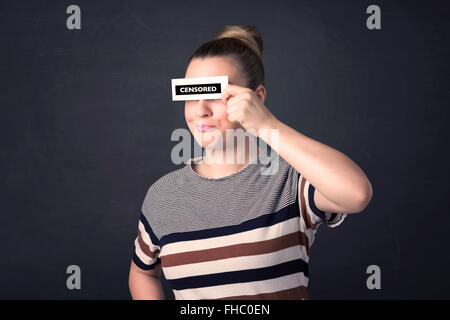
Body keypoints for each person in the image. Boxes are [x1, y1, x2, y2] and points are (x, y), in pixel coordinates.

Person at [128, 25, 373, 300]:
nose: (200, 110)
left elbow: (357, 194)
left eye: (216, 94)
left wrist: (267, 124)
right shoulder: (162, 196)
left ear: (256, 98)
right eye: (191, 95)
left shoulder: (292, 181)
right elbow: (142, 272)